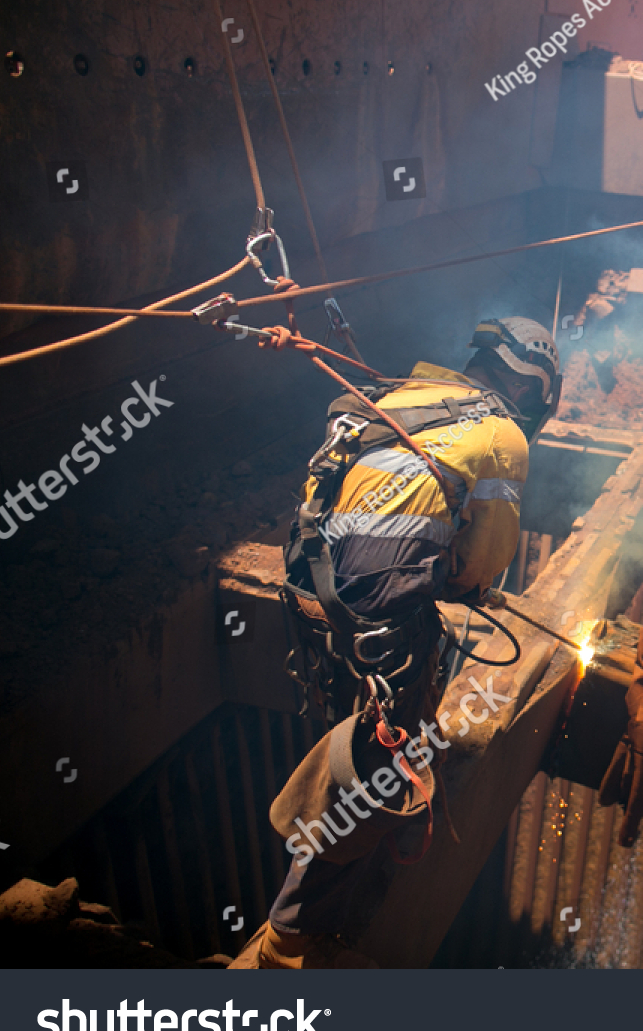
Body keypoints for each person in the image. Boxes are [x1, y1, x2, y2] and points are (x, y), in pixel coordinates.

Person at [236, 316, 560, 968]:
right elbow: (480, 564)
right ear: (534, 393)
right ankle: (288, 937)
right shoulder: (502, 435)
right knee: (376, 767)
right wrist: (452, 573)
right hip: (380, 623)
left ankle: (365, 805)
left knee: (359, 736)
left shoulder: (399, 392)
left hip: (308, 596)